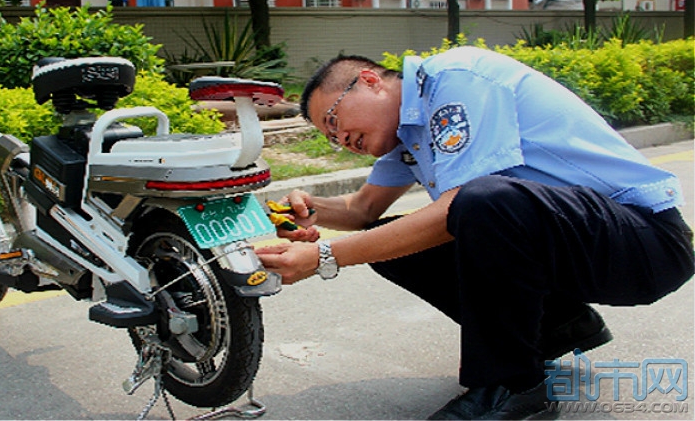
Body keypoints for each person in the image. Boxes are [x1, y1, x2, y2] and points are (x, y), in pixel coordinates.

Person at [255, 47, 694, 420]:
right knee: (395, 242)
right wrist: (310, 210)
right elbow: (363, 208)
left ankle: (513, 384)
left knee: (481, 203)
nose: (340, 139)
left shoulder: (454, 81)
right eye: (329, 137)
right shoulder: (407, 133)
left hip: (646, 242)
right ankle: (560, 326)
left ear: (369, 81)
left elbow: (464, 204)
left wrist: (324, 257)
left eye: (333, 120)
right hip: (581, 240)